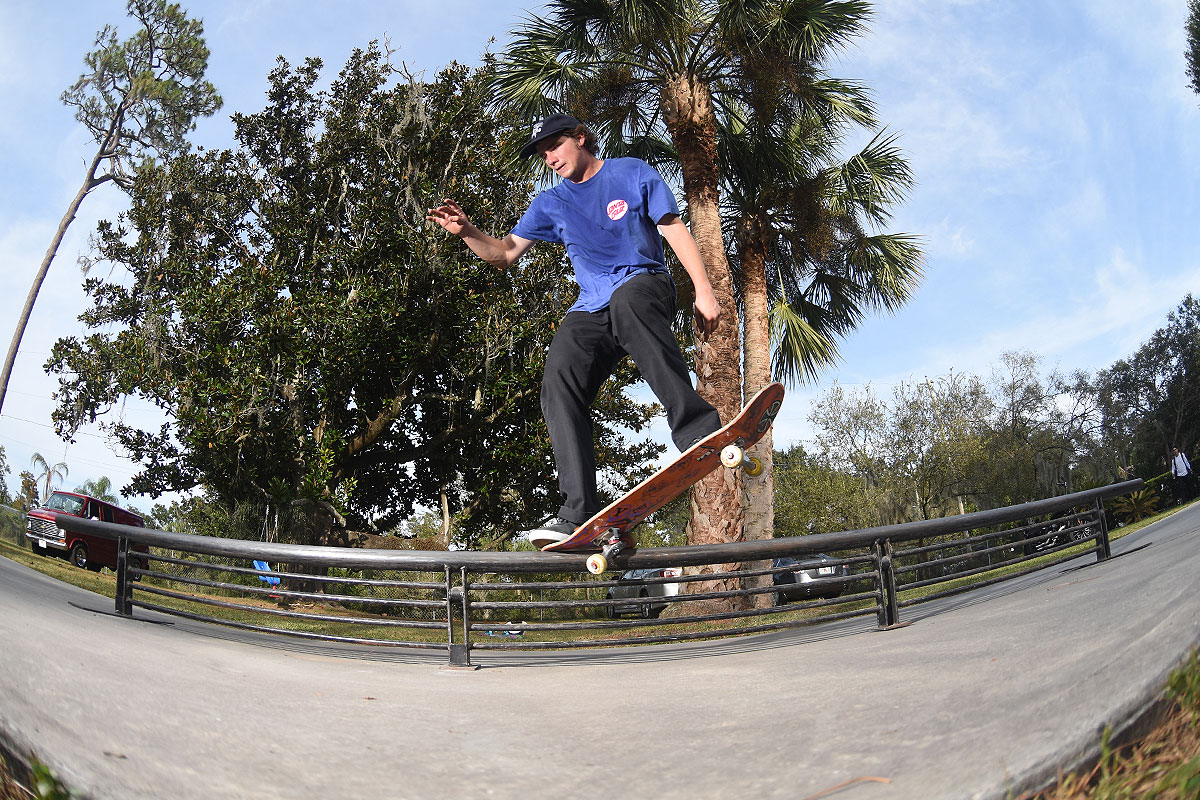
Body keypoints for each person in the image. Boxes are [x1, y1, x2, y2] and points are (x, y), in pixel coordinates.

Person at [426, 113, 723, 546]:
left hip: (644, 284)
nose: (549, 157)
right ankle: (578, 509)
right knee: (558, 380)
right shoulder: (550, 203)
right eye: (541, 152)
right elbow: (505, 253)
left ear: (580, 138)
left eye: (554, 146)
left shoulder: (631, 172)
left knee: (628, 305)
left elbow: (672, 227)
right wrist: (467, 230)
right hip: (591, 306)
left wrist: (703, 288)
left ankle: (696, 428)